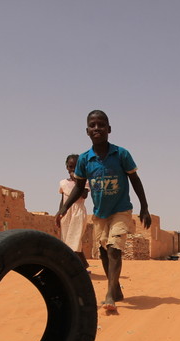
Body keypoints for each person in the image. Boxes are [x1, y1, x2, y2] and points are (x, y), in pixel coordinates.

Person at [55, 110, 151, 312]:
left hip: (121, 209)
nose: (97, 128)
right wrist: (64, 207)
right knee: (104, 252)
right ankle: (115, 287)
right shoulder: (84, 160)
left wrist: (144, 206)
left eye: (101, 125)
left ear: (109, 129)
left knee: (115, 248)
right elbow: (80, 187)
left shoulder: (121, 154)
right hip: (99, 212)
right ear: (87, 131)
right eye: (93, 125)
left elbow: (135, 180)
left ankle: (109, 294)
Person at [57, 154, 89, 270]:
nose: (73, 170)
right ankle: (83, 264)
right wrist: (60, 213)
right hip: (66, 213)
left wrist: (77, 180)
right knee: (67, 241)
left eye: (76, 167)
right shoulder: (63, 183)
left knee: (75, 241)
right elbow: (63, 200)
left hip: (78, 213)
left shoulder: (85, 181)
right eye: (71, 167)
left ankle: (73, 268)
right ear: (67, 167)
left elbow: (84, 195)